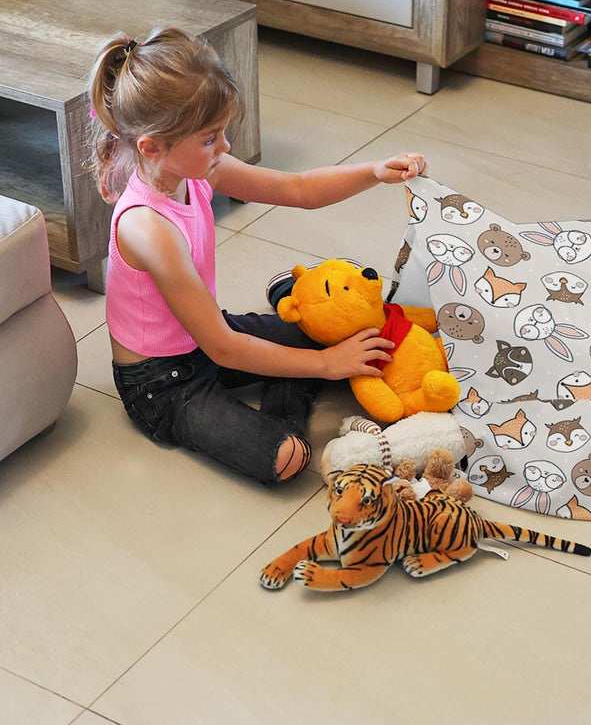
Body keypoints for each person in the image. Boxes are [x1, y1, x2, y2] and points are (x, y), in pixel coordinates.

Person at [88, 27, 427, 486]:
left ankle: (292, 358)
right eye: (211, 138)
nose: (224, 146)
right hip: (162, 385)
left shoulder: (196, 169)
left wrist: (373, 172)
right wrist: (328, 366)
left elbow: (298, 189)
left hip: (207, 335)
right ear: (152, 146)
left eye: (222, 132)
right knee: (286, 458)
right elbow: (224, 347)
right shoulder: (148, 228)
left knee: (341, 331)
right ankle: (293, 389)